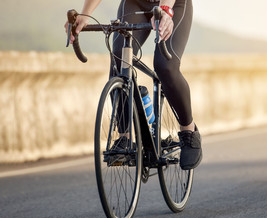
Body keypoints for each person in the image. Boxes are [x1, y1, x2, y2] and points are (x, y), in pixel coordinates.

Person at [64, 0, 202, 170]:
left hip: (173, 3)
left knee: (165, 65)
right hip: (135, 3)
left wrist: (166, 10)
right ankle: (125, 136)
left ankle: (189, 130)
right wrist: (85, 14)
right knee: (119, 57)